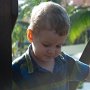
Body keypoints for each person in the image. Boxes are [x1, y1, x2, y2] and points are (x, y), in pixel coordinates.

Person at [12, 1, 90, 90]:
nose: (52, 51)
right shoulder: (17, 71)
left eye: (58, 46)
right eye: (46, 45)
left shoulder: (65, 63)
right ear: (31, 35)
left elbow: (87, 73)